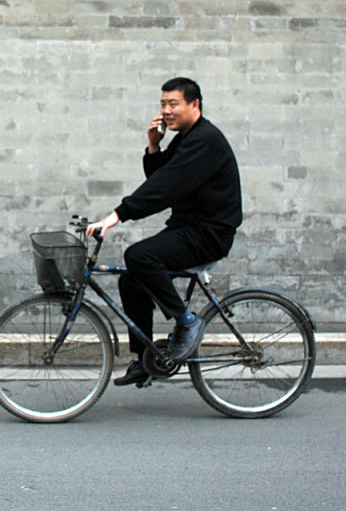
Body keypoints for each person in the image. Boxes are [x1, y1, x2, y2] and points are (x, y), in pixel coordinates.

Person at [85, 77, 242, 387]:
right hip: (189, 228)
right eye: (163, 104)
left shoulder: (204, 140)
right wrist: (154, 146)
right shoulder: (185, 138)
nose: (166, 111)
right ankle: (146, 359)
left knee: (139, 255)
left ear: (195, 104)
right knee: (132, 280)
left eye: (173, 104)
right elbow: (162, 178)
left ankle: (188, 322)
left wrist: (116, 216)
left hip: (209, 234)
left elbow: (164, 188)